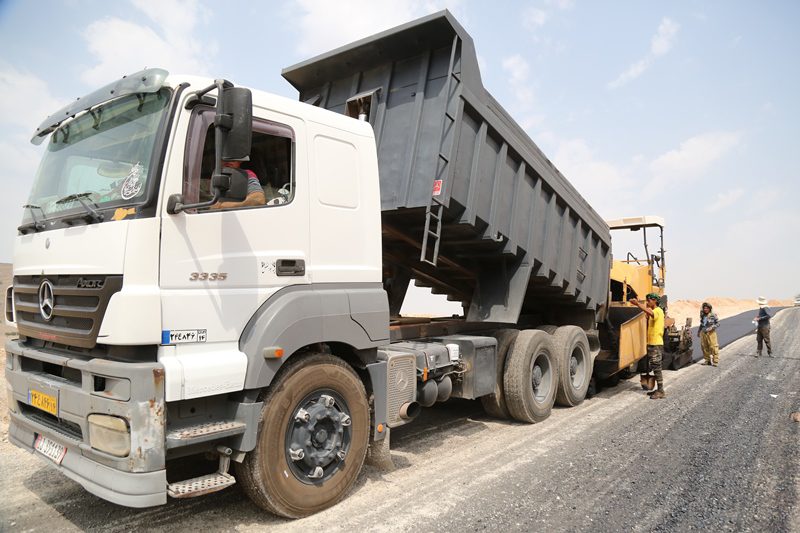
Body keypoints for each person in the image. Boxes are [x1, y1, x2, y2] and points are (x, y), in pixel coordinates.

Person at [630, 293, 666, 399]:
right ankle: (659, 389)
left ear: (655, 301)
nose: (648, 301)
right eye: (647, 300)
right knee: (655, 366)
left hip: (656, 344)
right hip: (652, 343)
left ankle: (661, 391)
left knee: (657, 367)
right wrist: (640, 302)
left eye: (650, 300)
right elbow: (647, 313)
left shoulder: (658, 311)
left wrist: (638, 304)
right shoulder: (653, 312)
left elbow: (649, 312)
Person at [698, 302, 720, 366]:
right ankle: (707, 360)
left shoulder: (713, 315)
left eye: (707, 308)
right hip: (703, 333)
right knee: (704, 347)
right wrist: (699, 331)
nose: (705, 309)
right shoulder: (702, 315)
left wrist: (711, 327)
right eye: (704, 308)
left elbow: (718, 323)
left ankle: (715, 361)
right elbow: (701, 324)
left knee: (713, 347)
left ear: (709, 309)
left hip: (711, 333)